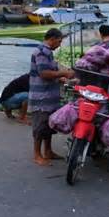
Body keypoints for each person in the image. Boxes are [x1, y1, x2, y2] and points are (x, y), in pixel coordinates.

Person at [29, 28, 75, 166]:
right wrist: (64, 74)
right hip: (41, 97)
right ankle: (37, 154)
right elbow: (44, 74)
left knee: (49, 125)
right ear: (52, 38)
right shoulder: (42, 52)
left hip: (50, 96)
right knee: (39, 127)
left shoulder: (48, 53)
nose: (59, 44)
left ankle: (48, 151)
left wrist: (61, 79)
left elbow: (50, 74)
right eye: (59, 41)